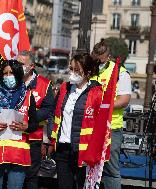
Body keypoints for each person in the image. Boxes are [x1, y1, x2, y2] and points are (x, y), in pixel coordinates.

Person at [50, 53, 103, 189]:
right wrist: (51, 139)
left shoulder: (96, 93)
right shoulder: (64, 88)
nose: (72, 73)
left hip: (83, 151)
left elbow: (100, 126)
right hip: (62, 148)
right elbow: (54, 113)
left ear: (88, 73)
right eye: (71, 69)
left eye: (77, 70)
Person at [0, 60, 37, 189]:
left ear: (18, 75)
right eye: (5, 74)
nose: (8, 77)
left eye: (11, 73)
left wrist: (26, 127)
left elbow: (35, 123)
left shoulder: (28, 96)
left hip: (18, 154)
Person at [91, 39, 131, 189]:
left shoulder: (120, 72)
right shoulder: (92, 70)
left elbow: (124, 100)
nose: (98, 63)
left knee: (110, 169)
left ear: (108, 56)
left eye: (101, 60)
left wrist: (104, 105)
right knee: (89, 165)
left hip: (111, 128)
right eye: (96, 59)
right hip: (91, 127)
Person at [17, 50, 54, 189]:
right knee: (14, 174)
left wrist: (30, 119)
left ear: (31, 66)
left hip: (33, 138)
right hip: (13, 137)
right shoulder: (11, 81)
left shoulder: (45, 84)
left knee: (31, 176)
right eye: (16, 63)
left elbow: (48, 109)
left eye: (21, 64)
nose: (17, 67)